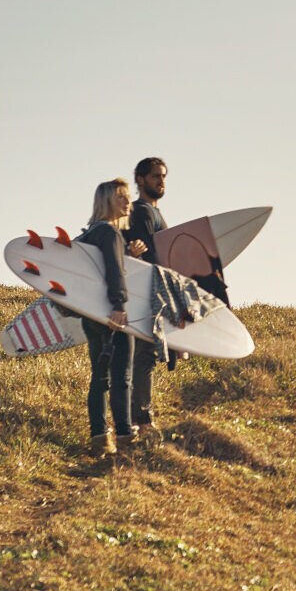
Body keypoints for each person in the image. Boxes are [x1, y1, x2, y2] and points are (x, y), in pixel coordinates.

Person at [81, 177, 136, 457]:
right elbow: (114, 271)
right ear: (106, 202)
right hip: (112, 313)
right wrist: (120, 304)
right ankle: (125, 436)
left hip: (91, 316)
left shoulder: (90, 233)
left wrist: (129, 254)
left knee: (99, 377)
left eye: (127, 197)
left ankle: (99, 437)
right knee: (121, 377)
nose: (128, 202)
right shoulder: (110, 234)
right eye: (121, 197)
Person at [123, 157, 171, 431]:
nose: (161, 181)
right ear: (140, 180)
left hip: (155, 291)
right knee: (144, 355)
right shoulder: (140, 212)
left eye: (163, 176)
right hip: (144, 292)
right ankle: (140, 420)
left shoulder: (156, 213)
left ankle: (136, 418)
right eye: (155, 176)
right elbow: (143, 256)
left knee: (145, 355)